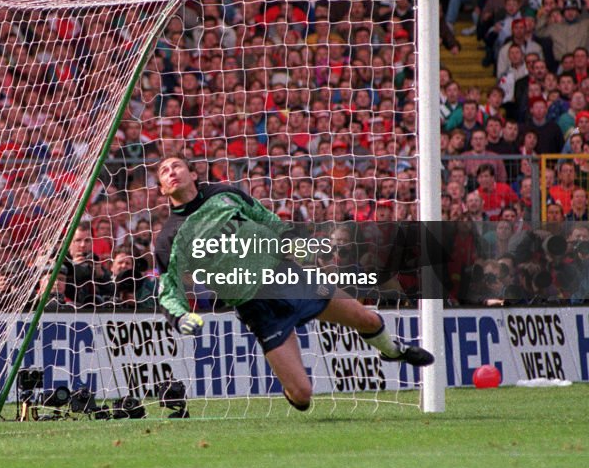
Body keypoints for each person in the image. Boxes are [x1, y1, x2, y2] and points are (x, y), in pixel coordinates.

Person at [152, 155, 433, 411]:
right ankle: (289, 362)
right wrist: (179, 317)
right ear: (163, 189)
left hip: (288, 277)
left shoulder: (225, 194)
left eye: (176, 165)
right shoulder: (169, 237)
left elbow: (272, 224)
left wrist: (304, 248)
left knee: (366, 319)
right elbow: (168, 289)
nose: (171, 172)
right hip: (255, 307)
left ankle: (394, 351)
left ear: (192, 172)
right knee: (302, 396)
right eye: (164, 171)